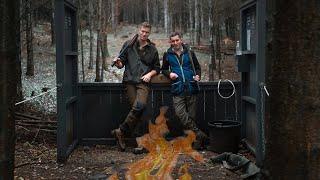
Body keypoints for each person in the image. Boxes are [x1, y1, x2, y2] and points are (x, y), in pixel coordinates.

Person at [111, 22, 160, 152]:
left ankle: (120, 130)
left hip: (143, 83)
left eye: (147, 32)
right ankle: (141, 143)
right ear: (139, 30)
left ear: (149, 33)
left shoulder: (152, 49)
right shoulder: (128, 44)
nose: (144, 34)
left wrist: (150, 74)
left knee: (140, 106)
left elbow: (157, 68)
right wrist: (117, 62)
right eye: (142, 31)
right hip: (129, 82)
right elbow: (121, 64)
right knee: (138, 111)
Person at [161, 32, 207, 149]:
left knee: (191, 116)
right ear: (170, 42)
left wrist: (198, 76)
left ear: (181, 40)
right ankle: (199, 133)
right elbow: (164, 69)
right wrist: (169, 73)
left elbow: (197, 67)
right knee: (180, 113)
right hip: (177, 88)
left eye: (177, 40)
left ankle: (195, 141)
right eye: (173, 41)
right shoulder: (168, 54)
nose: (175, 43)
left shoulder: (190, 52)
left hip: (191, 87)